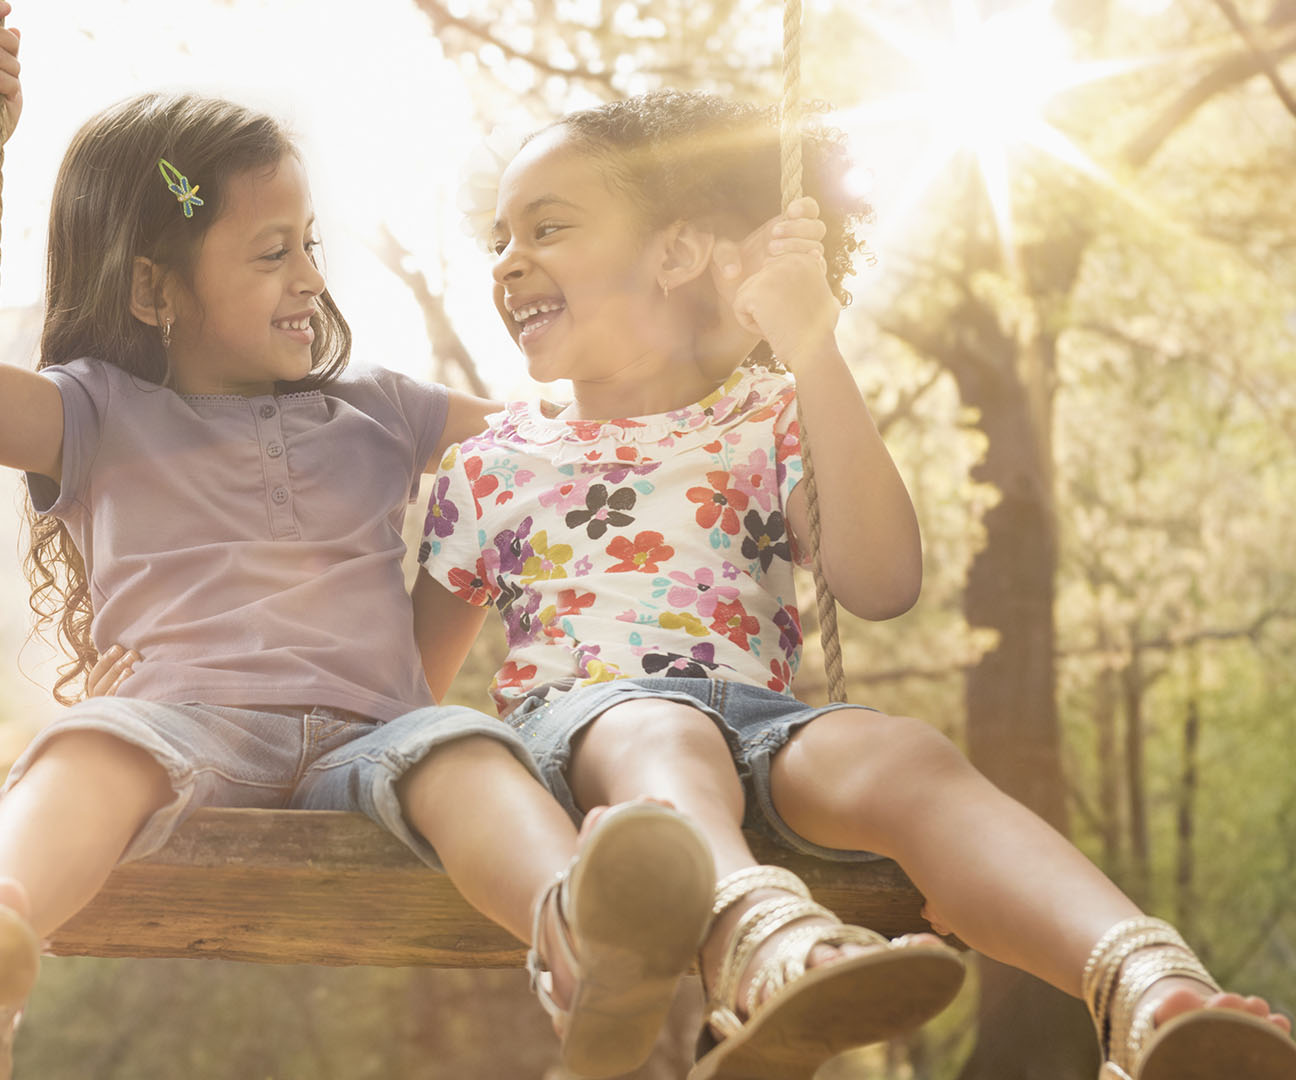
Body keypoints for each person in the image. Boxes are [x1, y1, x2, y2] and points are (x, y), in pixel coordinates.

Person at [0, 9, 723, 1078]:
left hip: (376, 732)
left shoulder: (384, 409)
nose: (310, 279)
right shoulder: (99, 411)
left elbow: (566, 445)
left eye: (309, 246)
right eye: (272, 253)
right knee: (88, 751)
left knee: (472, 758)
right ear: (154, 289)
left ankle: (582, 945)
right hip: (183, 717)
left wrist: (693, 335)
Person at [412, 88, 1296, 1080]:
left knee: (902, 754)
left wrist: (814, 347)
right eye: (501, 238)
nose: (509, 259)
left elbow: (880, 581)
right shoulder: (492, 462)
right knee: (661, 731)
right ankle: (771, 948)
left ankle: (1149, 988)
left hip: (759, 726)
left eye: (549, 227)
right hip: (587, 742)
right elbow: (406, 701)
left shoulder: (766, 416)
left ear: (675, 253)